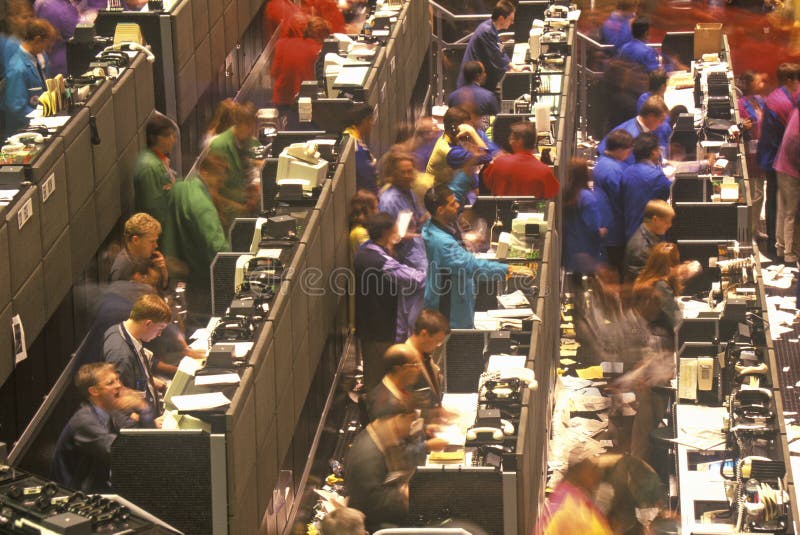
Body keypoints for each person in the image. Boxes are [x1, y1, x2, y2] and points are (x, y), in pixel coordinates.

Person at [422, 186, 530, 328]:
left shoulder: (439, 223)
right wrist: (508, 269)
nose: (458, 205)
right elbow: (472, 267)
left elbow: (457, 190)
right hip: (449, 307)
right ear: (441, 210)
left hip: (456, 296)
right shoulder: (442, 243)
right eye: (452, 204)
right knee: (454, 344)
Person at [51, 363, 151, 492]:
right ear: (94, 391)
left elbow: (139, 437)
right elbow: (125, 452)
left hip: (101, 485)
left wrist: (142, 409)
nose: (119, 385)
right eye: (110, 383)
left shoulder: (111, 409)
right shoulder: (85, 422)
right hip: (74, 497)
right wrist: (144, 409)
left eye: (117, 379)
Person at [354, 213, 426, 389]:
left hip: (369, 326)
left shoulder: (364, 250)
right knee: (381, 383)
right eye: (395, 228)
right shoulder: (381, 262)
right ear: (386, 232)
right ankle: (376, 416)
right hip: (380, 329)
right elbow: (416, 279)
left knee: (374, 376)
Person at [162, 155, 232, 313]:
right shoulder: (202, 204)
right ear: (205, 173)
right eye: (218, 181)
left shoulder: (180, 188)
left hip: (175, 267)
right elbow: (218, 247)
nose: (219, 187)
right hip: (200, 278)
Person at [379, 150, 429, 340]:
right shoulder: (389, 199)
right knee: (407, 314)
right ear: (392, 174)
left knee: (417, 311)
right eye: (404, 172)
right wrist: (412, 234)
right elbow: (389, 236)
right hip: (405, 262)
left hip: (418, 255)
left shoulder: (407, 191)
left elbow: (413, 219)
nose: (409, 176)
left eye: (411, 171)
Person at [344, 411, 422, 531]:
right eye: (411, 421)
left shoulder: (380, 435)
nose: (412, 426)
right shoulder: (367, 456)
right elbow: (371, 503)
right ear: (397, 418)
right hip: (378, 526)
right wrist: (405, 495)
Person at [103, 294, 171, 418]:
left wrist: (151, 380)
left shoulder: (120, 330)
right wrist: (150, 425)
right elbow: (119, 403)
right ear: (148, 323)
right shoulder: (121, 355)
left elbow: (132, 378)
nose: (160, 334)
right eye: (160, 328)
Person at [757, 62, 800, 257]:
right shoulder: (784, 103)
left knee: (778, 204)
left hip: (776, 158)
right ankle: (782, 249)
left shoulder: (778, 97)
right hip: (779, 160)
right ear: (790, 80)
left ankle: (777, 245)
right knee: (781, 206)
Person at [207, 102, 260, 231]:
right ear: (237, 123)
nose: (251, 130)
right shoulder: (219, 146)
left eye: (252, 125)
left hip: (250, 209)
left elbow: (257, 168)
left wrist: (255, 191)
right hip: (229, 215)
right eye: (248, 125)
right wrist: (238, 206)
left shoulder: (250, 141)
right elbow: (214, 191)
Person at [271, 15, 330, 124]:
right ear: (320, 35)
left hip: (282, 101)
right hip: (307, 103)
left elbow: (274, 73)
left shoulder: (281, 44)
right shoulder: (319, 51)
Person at [535, 455, 613, 535]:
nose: (598, 475)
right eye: (593, 470)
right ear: (583, 473)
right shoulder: (568, 507)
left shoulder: (572, 497)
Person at [4, 18, 56, 134]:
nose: (47, 49)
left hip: (42, 121)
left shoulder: (39, 56)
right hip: (24, 131)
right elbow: (17, 108)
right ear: (37, 40)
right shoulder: (17, 69)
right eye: (46, 45)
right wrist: (41, 119)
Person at [593, 129, 634, 274]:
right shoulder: (613, 170)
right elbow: (624, 199)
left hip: (609, 227)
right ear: (620, 149)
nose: (629, 154)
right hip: (615, 232)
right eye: (628, 150)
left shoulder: (603, 162)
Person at [482, 122, 560, 198]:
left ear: (520, 141)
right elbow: (553, 194)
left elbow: (487, 183)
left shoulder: (499, 163)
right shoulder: (544, 171)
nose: (509, 140)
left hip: (502, 210)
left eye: (512, 138)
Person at [620, 133, 671, 241]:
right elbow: (667, 191)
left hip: (630, 231)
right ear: (653, 152)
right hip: (650, 235)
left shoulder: (627, 172)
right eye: (658, 149)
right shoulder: (656, 176)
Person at [457, 1, 516, 91]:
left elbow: (499, 51)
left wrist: (512, 66)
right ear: (501, 18)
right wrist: (512, 69)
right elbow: (495, 56)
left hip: (476, 80)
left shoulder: (490, 28)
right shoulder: (486, 31)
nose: (512, 22)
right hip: (470, 84)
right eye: (511, 19)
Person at [737, 70, 768, 240]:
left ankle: (754, 228)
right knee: (755, 194)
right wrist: (743, 126)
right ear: (749, 85)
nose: (762, 84)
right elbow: (737, 129)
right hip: (750, 155)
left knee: (760, 193)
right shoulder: (740, 105)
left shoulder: (760, 101)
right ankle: (749, 232)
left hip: (762, 153)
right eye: (758, 82)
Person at [133, 114, 178, 229]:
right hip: (159, 231)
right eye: (168, 136)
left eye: (173, 135)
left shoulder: (159, 159)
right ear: (154, 138)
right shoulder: (148, 167)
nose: (173, 140)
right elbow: (154, 209)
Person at [596, 95, 668, 165]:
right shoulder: (632, 136)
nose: (661, 124)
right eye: (661, 120)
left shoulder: (643, 127)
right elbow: (631, 165)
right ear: (651, 116)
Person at [563, 158, 606, 274]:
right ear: (585, 174)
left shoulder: (566, 194)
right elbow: (594, 228)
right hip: (586, 253)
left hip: (570, 250)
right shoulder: (587, 197)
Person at [110, 213, 169, 289]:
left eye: (156, 241)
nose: (156, 245)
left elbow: (162, 287)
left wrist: (163, 270)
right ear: (136, 240)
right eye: (151, 241)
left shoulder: (146, 256)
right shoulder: (121, 270)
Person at [405, 309, 450, 408]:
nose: (437, 346)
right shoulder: (406, 359)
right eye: (437, 341)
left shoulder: (424, 355)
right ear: (424, 334)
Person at [366, 344, 423, 421]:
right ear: (399, 369)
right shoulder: (387, 406)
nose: (419, 369)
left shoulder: (399, 387)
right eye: (415, 364)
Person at [774, 100, 800, 264]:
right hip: (791, 171)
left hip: (781, 166)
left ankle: (781, 247)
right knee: (790, 214)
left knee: (783, 210)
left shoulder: (796, 111)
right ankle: (790, 253)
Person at [624, 200, 674, 282]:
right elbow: (647, 282)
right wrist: (678, 273)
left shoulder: (652, 236)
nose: (670, 225)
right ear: (655, 220)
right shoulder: (641, 247)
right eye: (667, 221)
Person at [33, 0, 78, 76]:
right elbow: (50, 39)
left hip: (69, 59)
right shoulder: (47, 5)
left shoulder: (64, 3)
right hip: (57, 64)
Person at [344, 103, 379, 193]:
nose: (373, 123)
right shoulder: (355, 148)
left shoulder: (348, 135)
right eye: (371, 119)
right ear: (365, 121)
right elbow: (366, 179)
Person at [349, 189, 379, 256]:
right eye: (375, 208)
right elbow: (374, 256)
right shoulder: (360, 232)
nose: (378, 212)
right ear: (366, 210)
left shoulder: (366, 227)